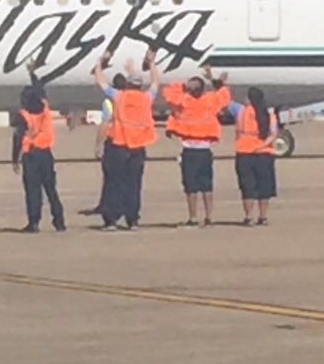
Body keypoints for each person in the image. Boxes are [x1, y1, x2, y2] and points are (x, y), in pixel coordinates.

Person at [93, 50, 160, 230]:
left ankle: (111, 219)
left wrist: (100, 62)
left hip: (118, 144)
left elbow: (101, 81)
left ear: (127, 84)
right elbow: (155, 83)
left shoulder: (120, 96)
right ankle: (132, 219)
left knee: (114, 183)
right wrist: (151, 63)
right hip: (138, 147)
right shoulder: (146, 98)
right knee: (134, 184)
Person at [163, 67, 231, 226]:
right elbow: (224, 96)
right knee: (206, 185)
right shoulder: (210, 101)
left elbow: (167, 92)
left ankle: (193, 217)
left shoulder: (183, 101)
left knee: (191, 186)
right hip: (205, 149)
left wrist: (184, 86)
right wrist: (215, 81)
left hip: (190, 149)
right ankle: (209, 217)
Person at [11, 67, 65, 233]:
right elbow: (40, 89)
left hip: (31, 155)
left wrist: (15, 159)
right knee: (51, 189)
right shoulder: (45, 110)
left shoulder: (23, 116)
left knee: (33, 191)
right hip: (46, 153)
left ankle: (34, 222)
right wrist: (33, 74)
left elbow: (18, 138)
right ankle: (59, 221)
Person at [227, 86, 280, 225]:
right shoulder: (269, 114)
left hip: (244, 153)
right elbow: (273, 134)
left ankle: (249, 216)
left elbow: (226, 101)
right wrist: (262, 146)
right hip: (264, 154)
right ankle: (263, 216)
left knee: (247, 187)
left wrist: (219, 84)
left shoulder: (240, 110)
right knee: (265, 187)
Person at [78, 73, 126, 218]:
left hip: (114, 142)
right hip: (131, 142)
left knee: (110, 178)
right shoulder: (133, 100)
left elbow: (105, 124)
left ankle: (108, 206)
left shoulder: (110, 102)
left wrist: (98, 145)